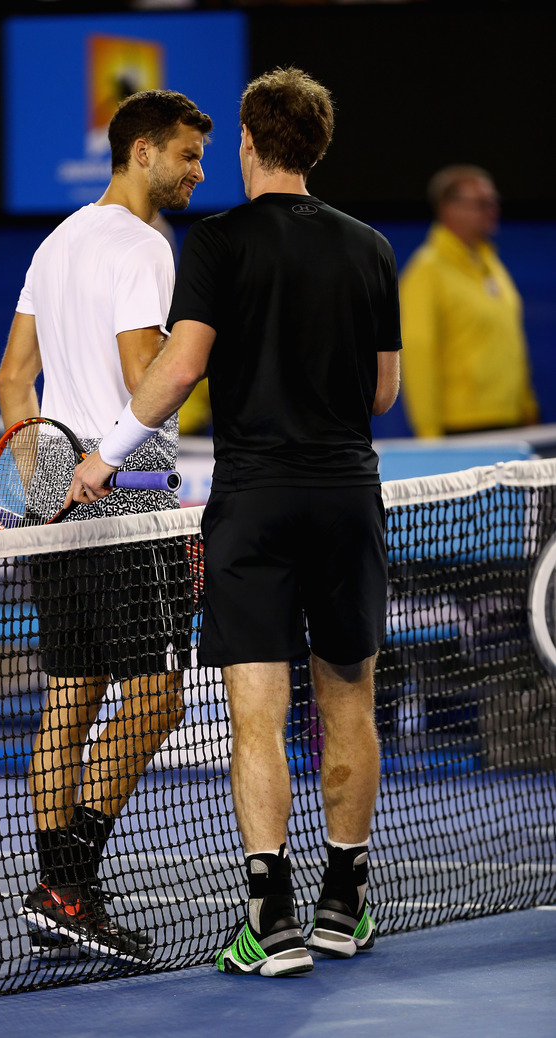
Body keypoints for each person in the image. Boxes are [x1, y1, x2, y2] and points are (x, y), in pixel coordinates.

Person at [66, 67, 401, 978]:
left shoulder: (215, 245)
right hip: (345, 497)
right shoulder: (371, 248)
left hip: (254, 504)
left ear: (251, 144)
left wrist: (103, 456)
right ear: (317, 148)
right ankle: (344, 903)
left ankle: (269, 918)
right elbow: (383, 391)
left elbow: (177, 373)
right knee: (349, 702)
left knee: (258, 715)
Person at [0, 88, 213, 962]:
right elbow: (145, 378)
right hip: (127, 495)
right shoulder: (146, 247)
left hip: (64, 491)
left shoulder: (56, 244)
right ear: (142, 153)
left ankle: (57, 885)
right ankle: (71, 881)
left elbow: (15, 381)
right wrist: (207, 355)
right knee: (156, 697)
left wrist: (46, 486)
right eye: (187, 155)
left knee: (72, 692)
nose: (199, 171)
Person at [399, 165, 539, 437]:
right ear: (449, 209)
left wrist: (527, 406)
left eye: (494, 201)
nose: (493, 210)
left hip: (512, 422)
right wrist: (429, 435)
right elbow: (417, 355)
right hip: (462, 430)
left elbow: (510, 343)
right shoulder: (426, 272)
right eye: (482, 203)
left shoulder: (491, 264)